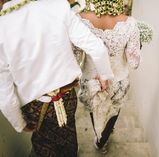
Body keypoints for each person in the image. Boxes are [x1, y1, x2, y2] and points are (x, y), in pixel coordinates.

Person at [0, 0, 113, 156]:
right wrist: (104, 75)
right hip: (67, 98)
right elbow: (97, 48)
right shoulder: (58, 6)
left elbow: (5, 95)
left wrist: (19, 123)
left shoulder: (2, 26)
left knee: (43, 145)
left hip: (35, 107)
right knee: (69, 135)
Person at [75, 0, 141, 154]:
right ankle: (102, 141)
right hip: (118, 79)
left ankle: (99, 136)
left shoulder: (80, 20)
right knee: (114, 108)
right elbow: (134, 62)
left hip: (91, 78)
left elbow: (76, 55)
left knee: (95, 107)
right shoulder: (130, 24)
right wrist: (138, 47)